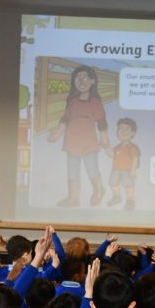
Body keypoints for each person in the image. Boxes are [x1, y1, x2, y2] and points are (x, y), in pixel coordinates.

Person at [48, 65, 111, 207]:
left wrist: (104, 139)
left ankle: (99, 189)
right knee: (73, 171)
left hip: (89, 143)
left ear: (92, 81)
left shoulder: (94, 102)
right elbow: (65, 119)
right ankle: (73, 198)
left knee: (92, 170)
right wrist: (58, 132)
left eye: (85, 78)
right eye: (78, 78)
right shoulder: (73, 101)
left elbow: (101, 122)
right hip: (71, 142)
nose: (81, 81)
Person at [108, 117, 139, 211]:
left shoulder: (132, 147)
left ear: (132, 133)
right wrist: (106, 147)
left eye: (126, 129)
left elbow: (135, 158)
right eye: (120, 129)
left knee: (129, 185)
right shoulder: (118, 146)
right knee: (113, 183)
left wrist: (133, 171)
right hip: (116, 169)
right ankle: (117, 197)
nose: (122, 132)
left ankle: (130, 201)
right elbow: (112, 154)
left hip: (127, 170)